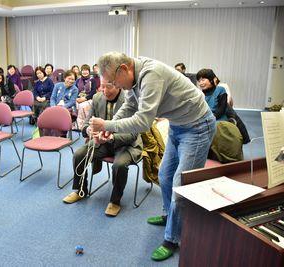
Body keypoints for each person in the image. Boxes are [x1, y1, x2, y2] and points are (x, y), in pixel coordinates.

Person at [90, 52, 216, 261]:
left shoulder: (151, 75)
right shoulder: (132, 79)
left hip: (197, 128)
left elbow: (143, 121)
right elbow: (129, 107)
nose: (115, 86)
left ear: (124, 69)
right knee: (164, 176)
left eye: (113, 81)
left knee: (180, 186)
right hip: (178, 126)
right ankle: (169, 216)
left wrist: (107, 125)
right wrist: (110, 130)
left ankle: (173, 238)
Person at [63, 78, 142, 217]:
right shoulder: (97, 97)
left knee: (119, 165)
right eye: (102, 87)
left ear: (118, 85)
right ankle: (80, 190)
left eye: (108, 86)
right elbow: (86, 124)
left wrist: (111, 137)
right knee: (79, 155)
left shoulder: (130, 100)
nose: (104, 91)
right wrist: (89, 131)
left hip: (126, 144)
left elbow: (133, 134)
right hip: (102, 141)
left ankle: (115, 201)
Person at [74, 64, 97, 130]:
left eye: (86, 70)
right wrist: (77, 98)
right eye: (83, 70)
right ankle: (76, 125)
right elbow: (75, 90)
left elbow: (93, 92)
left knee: (82, 106)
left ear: (89, 71)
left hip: (88, 98)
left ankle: (84, 125)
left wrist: (85, 98)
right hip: (79, 98)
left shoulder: (92, 80)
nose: (85, 72)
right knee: (74, 105)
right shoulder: (78, 80)